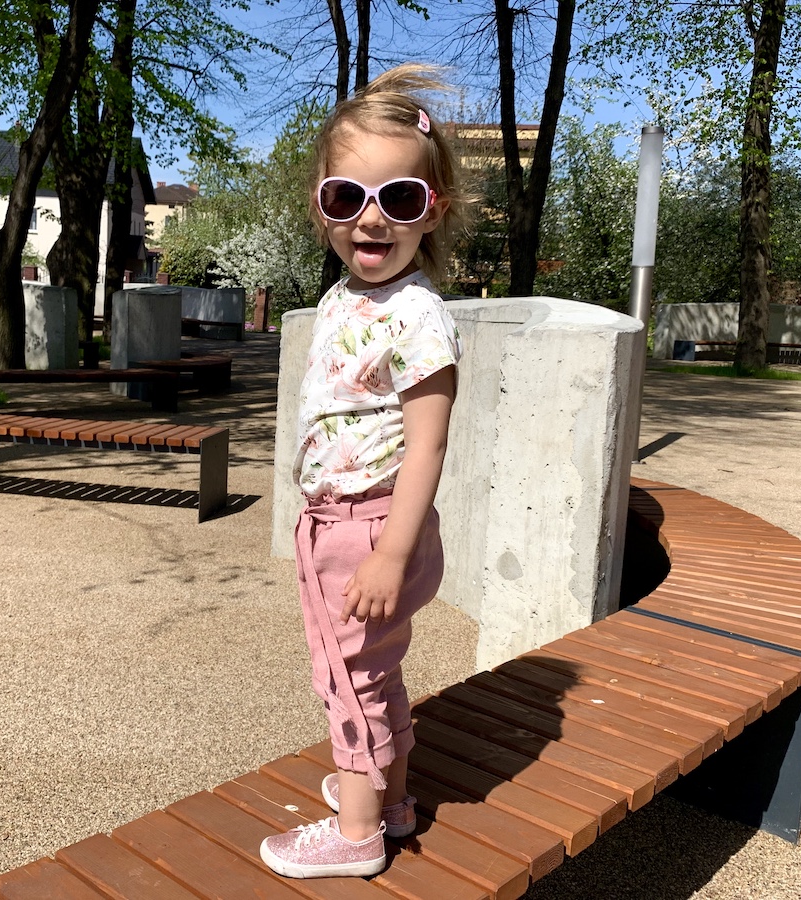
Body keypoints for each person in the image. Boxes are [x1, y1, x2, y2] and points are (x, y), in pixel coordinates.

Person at [259, 64, 471, 880]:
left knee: (346, 680)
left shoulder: (416, 314)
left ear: (433, 210)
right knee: (375, 671)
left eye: (400, 199)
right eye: (347, 197)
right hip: (342, 522)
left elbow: (429, 445)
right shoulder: (349, 297)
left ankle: (355, 834)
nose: (371, 218)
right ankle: (391, 800)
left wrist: (389, 554)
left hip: (371, 527)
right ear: (322, 207)